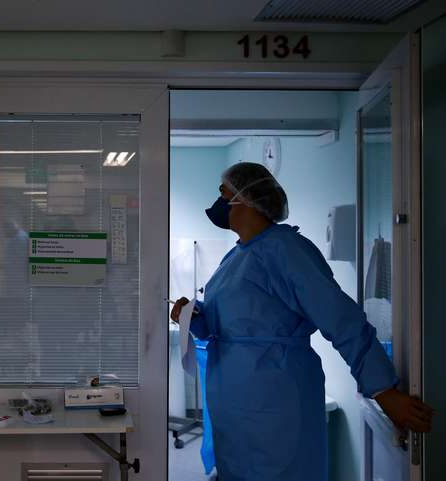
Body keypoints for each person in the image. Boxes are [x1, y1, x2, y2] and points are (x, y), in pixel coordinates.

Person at [170, 162, 434, 481]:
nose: (219, 202)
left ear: (248, 199)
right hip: (235, 407)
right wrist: (195, 317)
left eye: (224, 193)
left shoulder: (287, 250)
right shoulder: (236, 256)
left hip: (275, 402)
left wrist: (383, 391)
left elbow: (341, 319)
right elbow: (230, 322)